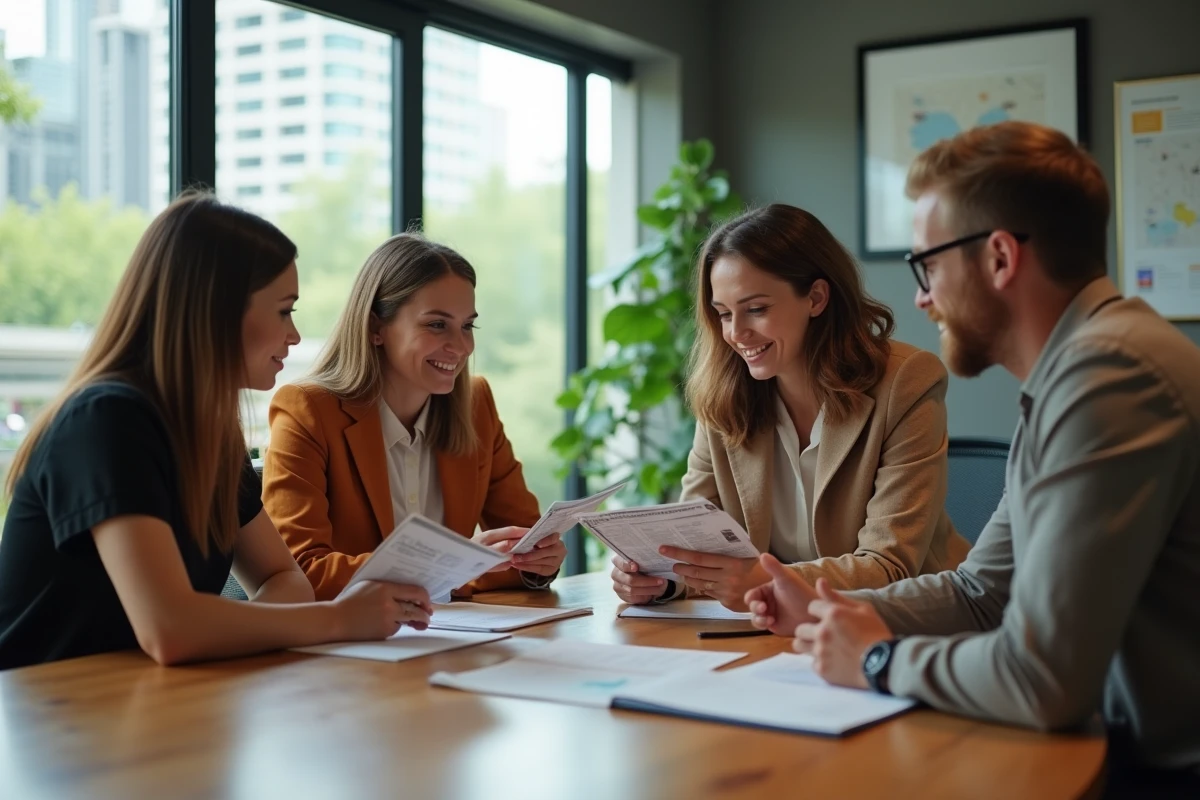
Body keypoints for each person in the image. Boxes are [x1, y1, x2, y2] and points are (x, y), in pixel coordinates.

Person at [746, 122, 1200, 789]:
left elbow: (1044, 681)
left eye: (927, 266)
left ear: (999, 258)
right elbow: (982, 593)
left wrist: (877, 661)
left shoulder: (1109, 377)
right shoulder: (1080, 368)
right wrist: (830, 612)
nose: (922, 297)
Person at [0, 194, 432, 670]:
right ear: (216, 311)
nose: (293, 335)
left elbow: (286, 579)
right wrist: (338, 619)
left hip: (153, 699)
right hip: (48, 705)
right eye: (284, 310)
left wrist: (222, 634)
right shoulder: (107, 420)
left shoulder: (211, 436)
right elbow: (170, 629)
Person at [611, 204, 970, 609]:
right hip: (777, 625)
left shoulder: (906, 383)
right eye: (724, 314)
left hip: (907, 621)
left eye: (756, 309)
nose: (736, 333)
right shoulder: (723, 397)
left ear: (816, 298)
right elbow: (698, 548)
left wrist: (765, 581)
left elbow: (890, 565)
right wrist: (663, 579)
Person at [262, 233, 566, 601]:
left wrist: (538, 561)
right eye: (437, 325)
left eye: (467, 326)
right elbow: (301, 574)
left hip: (455, 631)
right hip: (354, 635)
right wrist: (456, 566)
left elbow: (523, 547)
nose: (462, 346)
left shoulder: (476, 405)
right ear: (376, 328)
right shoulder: (307, 410)